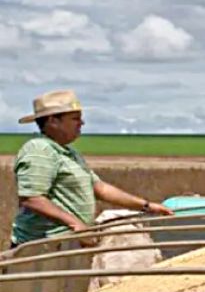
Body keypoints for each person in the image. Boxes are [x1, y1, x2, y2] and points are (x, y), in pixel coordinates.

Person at [9, 89, 173, 249]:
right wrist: (75, 224)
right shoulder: (39, 150)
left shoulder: (69, 153)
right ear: (53, 121)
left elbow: (99, 188)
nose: (81, 123)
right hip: (41, 247)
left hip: (68, 242)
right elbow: (32, 198)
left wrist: (147, 206)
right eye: (75, 118)